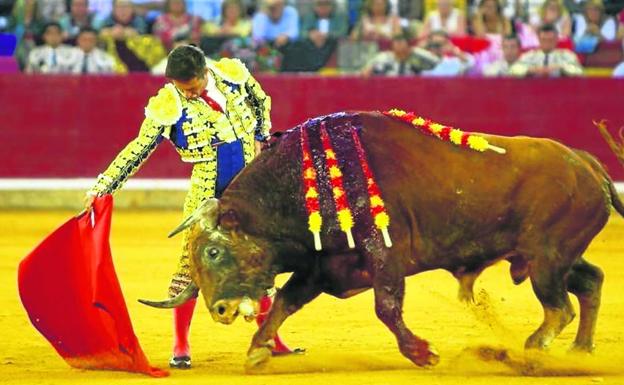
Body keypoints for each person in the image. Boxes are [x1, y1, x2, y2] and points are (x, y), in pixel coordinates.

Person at [83, 45, 297, 369]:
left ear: (204, 72)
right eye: (183, 89)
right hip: (205, 193)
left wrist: (263, 134)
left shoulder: (232, 76)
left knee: (259, 260)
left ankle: (271, 339)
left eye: (193, 87)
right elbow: (138, 148)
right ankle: (180, 345)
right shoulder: (169, 104)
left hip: (249, 188)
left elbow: (261, 100)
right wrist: (103, 186)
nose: (190, 94)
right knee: (191, 266)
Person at [510, 23, 582, 77]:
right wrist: (530, 70)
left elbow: (579, 71)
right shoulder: (529, 55)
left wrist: (561, 68)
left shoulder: (567, 55)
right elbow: (513, 70)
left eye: (550, 40)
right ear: (538, 38)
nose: (547, 43)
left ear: (557, 39)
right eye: (544, 40)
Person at [361, 31, 438, 76]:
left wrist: (414, 51)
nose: (398, 45)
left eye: (401, 42)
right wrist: (368, 69)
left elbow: (436, 62)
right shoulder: (383, 57)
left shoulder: (417, 55)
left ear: (408, 45)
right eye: (396, 42)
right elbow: (366, 71)